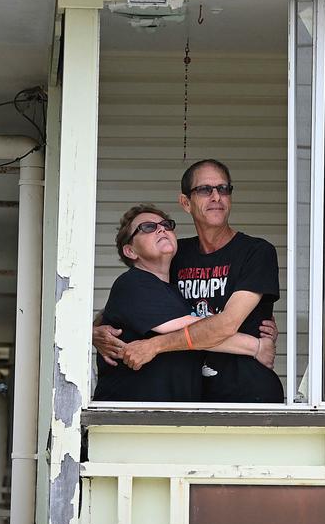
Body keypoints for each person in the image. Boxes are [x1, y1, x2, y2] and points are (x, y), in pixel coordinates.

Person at [95, 159, 285, 402]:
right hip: (192, 397)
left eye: (223, 189)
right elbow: (128, 307)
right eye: (205, 190)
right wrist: (94, 333)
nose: (216, 196)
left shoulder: (255, 252)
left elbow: (226, 325)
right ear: (186, 202)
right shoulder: (173, 255)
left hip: (247, 393)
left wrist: (154, 346)